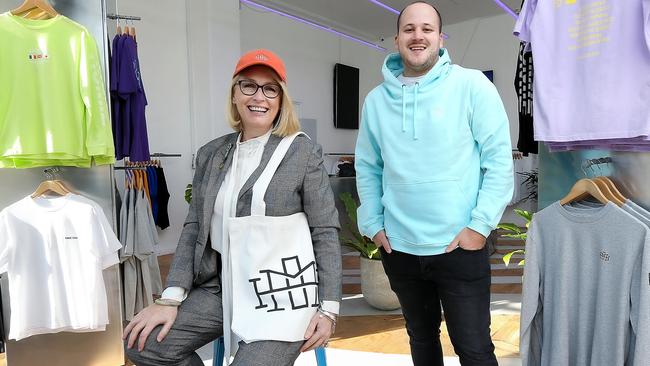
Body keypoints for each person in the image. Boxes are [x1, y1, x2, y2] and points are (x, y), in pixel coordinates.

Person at [123, 49, 342, 366]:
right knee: (141, 344)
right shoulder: (213, 153)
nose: (259, 96)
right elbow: (195, 228)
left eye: (270, 89)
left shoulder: (301, 151)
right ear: (235, 95)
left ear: (281, 100)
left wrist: (329, 308)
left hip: (281, 294)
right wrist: (169, 298)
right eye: (248, 85)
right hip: (222, 288)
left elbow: (324, 231)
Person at [354, 2, 514, 366]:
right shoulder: (376, 101)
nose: (417, 36)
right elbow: (367, 167)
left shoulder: (472, 85)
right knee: (421, 340)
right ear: (396, 39)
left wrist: (479, 226)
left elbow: (499, 161)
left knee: (473, 348)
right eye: (409, 29)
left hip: (459, 246)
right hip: (400, 249)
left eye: (427, 29)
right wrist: (374, 224)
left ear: (441, 38)